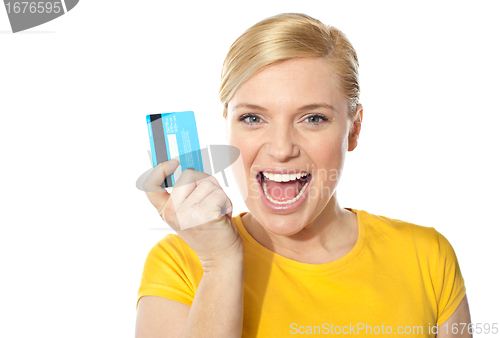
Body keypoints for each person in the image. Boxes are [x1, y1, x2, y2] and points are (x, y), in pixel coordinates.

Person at [135, 13, 471, 337]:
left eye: (313, 118)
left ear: (354, 130)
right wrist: (219, 264)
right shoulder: (179, 265)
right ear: (228, 127)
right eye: (253, 118)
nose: (282, 149)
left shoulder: (427, 257)